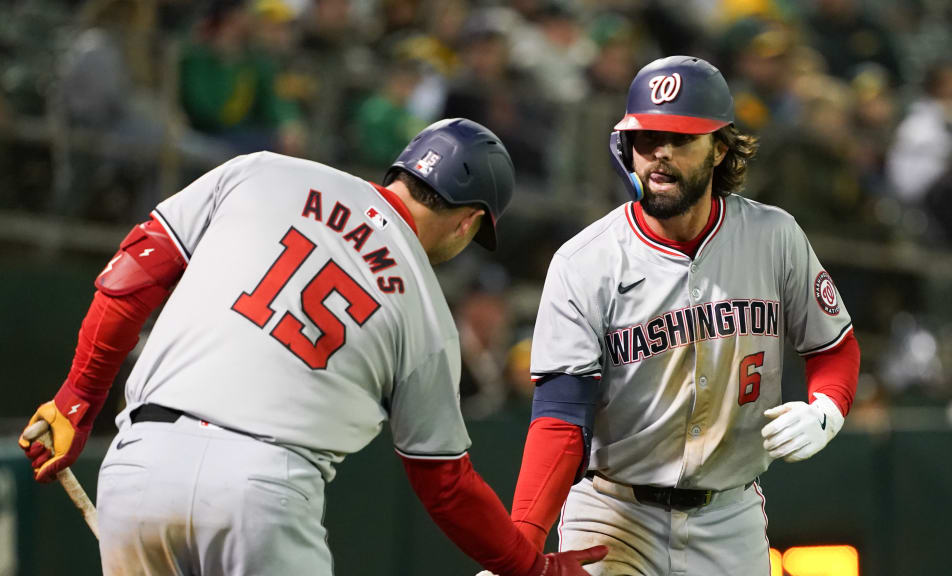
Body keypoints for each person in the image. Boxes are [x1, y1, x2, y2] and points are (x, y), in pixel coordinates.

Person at [18, 118, 606, 575]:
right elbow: (446, 487)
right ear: (469, 221)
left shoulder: (263, 171)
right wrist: (531, 566)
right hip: (262, 489)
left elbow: (130, 280)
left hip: (139, 463)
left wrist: (76, 400)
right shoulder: (427, 313)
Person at [506, 56, 861, 575]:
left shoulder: (774, 237)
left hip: (729, 515)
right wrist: (520, 545)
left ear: (720, 148)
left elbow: (833, 346)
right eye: (647, 138)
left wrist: (827, 408)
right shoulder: (586, 260)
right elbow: (560, 418)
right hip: (613, 513)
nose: (661, 154)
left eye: (681, 138)